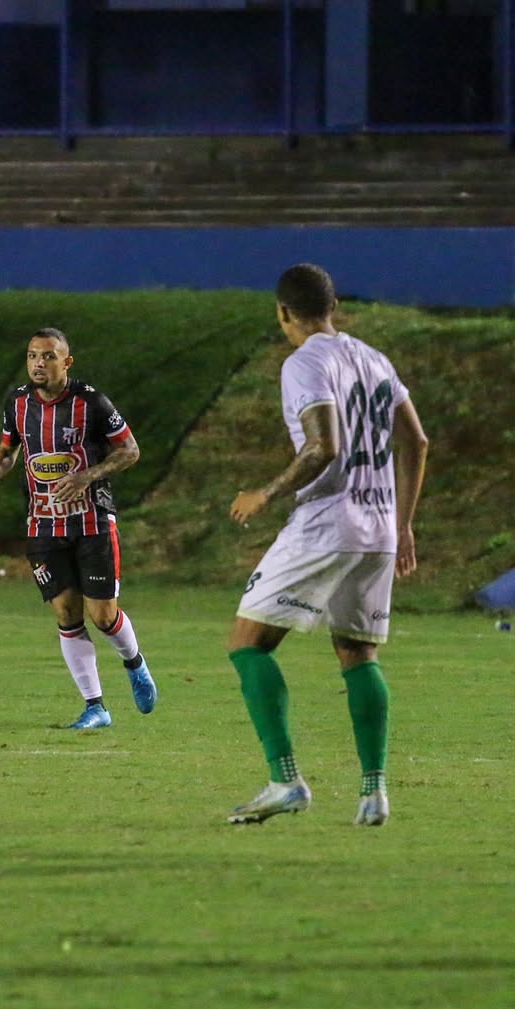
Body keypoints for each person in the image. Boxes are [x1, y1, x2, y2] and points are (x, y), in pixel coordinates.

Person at [225, 263, 428, 826]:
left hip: (328, 522)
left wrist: (265, 492)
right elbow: (417, 439)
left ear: (283, 312)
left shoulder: (305, 361)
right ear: (333, 307)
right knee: (358, 653)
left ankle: (285, 780)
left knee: (247, 642)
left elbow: (324, 447)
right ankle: (373, 793)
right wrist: (405, 524)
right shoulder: (374, 359)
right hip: (379, 526)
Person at [0, 327, 157, 730]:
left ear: (66, 362)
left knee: (102, 614)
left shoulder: (91, 402)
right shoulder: (18, 403)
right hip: (42, 524)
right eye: (32, 356)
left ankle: (135, 663)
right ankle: (96, 707)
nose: (39, 363)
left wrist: (88, 475)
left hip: (91, 520)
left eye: (48, 356)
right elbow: (8, 449)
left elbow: (130, 450)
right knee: (66, 613)